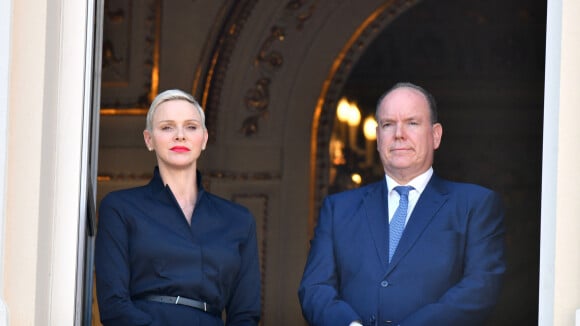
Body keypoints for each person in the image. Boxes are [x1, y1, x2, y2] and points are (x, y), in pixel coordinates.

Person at [298, 82, 505, 326]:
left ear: (435, 135)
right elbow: (315, 287)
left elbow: (480, 288)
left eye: (412, 123)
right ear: (378, 138)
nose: (399, 134)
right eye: (388, 124)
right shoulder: (338, 209)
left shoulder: (475, 205)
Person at [95, 89, 261, 326]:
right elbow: (113, 306)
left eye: (191, 127)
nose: (180, 136)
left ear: (204, 139)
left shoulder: (238, 220)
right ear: (149, 139)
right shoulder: (120, 208)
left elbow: (245, 314)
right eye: (167, 127)